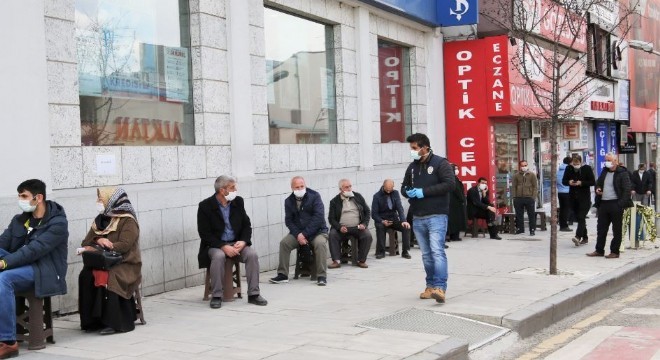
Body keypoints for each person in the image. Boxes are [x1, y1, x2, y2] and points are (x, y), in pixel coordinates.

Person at [0, 180, 68, 358]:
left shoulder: (58, 223)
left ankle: (8, 342)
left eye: (24, 196)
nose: (20, 199)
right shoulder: (20, 219)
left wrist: (4, 263)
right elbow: (3, 243)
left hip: (44, 270)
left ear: (38, 198)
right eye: (19, 195)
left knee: (3, 278)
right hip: (21, 264)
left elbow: (33, 251)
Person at [197, 175, 267, 308]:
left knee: (252, 255)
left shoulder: (238, 202)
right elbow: (204, 234)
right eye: (232, 187)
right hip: (215, 245)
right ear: (222, 190)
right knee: (218, 257)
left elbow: (246, 225)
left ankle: (254, 294)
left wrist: (244, 241)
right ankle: (217, 295)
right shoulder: (205, 206)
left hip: (236, 243)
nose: (236, 190)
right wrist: (222, 246)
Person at [78, 187, 141, 335]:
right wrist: (98, 239)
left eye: (101, 199)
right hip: (104, 260)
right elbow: (86, 241)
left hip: (125, 262)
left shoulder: (127, 221)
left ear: (111, 201)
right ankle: (92, 321)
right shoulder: (100, 220)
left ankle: (114, 322)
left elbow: (125, 245)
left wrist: (110, 245)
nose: (98, 202)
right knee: (86, 275)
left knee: (110, 276)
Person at [402, 133, 454, 303]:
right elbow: (404, 187)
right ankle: (430, 286)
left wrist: (423, 192)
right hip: (418, 216)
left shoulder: (441, 163)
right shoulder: (412, 167)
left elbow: (449, 184)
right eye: (411, 148)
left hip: (437, 215)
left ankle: (440, 287)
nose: (412, 151)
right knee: (426, 255)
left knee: (437, 251)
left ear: (424, 147)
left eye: (414, 148)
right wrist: (407, 191)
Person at [270, 176, 329, 286]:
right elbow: (289, 221)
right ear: (292, 188)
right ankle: (282, 274)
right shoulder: (288, 201)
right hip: (298, 233)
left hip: (318, 232)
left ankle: (321, 275)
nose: (300, 189)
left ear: (305, 185)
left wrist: (304, 234)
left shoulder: (315, 196)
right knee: (284, 243)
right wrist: (298, 234)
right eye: (297, 187)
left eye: (302, 186)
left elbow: (318, 217)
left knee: (320, 244)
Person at [587, 153, 633, 259]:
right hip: (603, 203)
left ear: (615, 161)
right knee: (601, 228)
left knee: (616, 229)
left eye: (609, 160)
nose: (607, 162)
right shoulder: (604, 171)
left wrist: (620, 204)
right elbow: (598, 183)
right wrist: (598, 188)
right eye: (606, 160)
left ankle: (615, 251)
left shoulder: (622, 173)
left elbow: (627, 190)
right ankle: (599, 250)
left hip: (615, 203)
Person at [328, 179, 373, 269]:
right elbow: (331, 218)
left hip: (358, 227)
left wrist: (364, 224)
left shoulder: (358, 196)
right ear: (341, 189)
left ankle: (361, 260)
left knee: (367, 235)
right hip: (342, 229)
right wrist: (339, 227)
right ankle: (336, 261)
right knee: (332, 235)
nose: (349, 188)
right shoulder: (334, 201)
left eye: (350, 186)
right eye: (346, 187)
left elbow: (367, 211)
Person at [371, 179, 411, 259]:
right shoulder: (377, 196)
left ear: (393, 187)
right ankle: (381, 252)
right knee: (380, 227)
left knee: (406, 227)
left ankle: (405, 251)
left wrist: (403, 221)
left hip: (394, 219)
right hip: (382, 220)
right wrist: (382, 221)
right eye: (387, 189)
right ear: (383, 186)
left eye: (390, 189)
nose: (389, 191)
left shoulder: (395, 193)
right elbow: (374, 214)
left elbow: (400, 208)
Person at [562, 155, 595, 246]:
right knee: (580, 218)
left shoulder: (587, 168)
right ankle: (585, 237)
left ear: (581, 162)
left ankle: (578, 236)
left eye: (577, 163)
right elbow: (564, 181)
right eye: (574, 163)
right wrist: (569, 182)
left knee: (581, 217)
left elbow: (592, 182)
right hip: (573, 197)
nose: (575, 165)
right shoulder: (569, 168)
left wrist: (582, 183)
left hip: (584, 197)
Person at [512, 160, 538, 235]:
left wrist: (533, 197)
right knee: (519, 215)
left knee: (531, 215)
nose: (524, 167)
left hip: (529, 198)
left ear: (527, 165)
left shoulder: (532, 175)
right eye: (522, 166)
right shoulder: (516, 175)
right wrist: (514, 197)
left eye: (525, 165)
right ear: (520, 166)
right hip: (518, 198)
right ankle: (520, 229)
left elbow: (535, 186)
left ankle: (532, 230)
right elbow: (514, 187)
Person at [447, 164, 467, 241]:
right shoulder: (453, 179)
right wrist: (462, 199)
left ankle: (453, 235)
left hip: (452, 202)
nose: (457, 170)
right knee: (456, 219)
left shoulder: (451, 178)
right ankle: (455, 236)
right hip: (455, 202)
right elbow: (457, 190)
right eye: (455, 169)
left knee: (453, 219)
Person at [557, 157, 572, 232]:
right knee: (566, 210)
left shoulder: (558, 170)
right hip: (567, 192)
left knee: (562, 209)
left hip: (560, 192)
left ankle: (561, 225)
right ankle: (564, 226)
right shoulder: (569, 170)